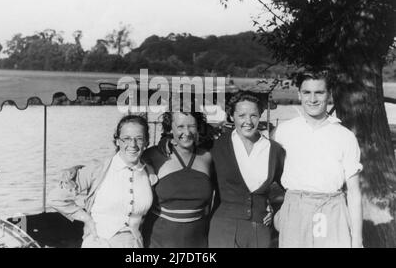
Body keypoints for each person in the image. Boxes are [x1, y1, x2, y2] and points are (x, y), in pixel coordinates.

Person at [273, 71, 363, 248]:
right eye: (307, 92)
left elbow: (354, 192)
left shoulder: (344, 136)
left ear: (329, 94)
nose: (312, 99)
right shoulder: (283, 131)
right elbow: (269, 173)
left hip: (332, 210)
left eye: (319, 92)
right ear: (299, 93)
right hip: (295, 212)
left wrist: (357, 240)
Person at [48, 114, 155, 248]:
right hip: (99, 242)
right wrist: (87, 219)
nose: (132, 144)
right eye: (126, 139)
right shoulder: (97, 170)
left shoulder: (149, 173)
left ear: (146, 142)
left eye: (139, 139)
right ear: (117, 141)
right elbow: (55, 198)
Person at [209, 92, 285, 248]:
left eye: (254, 115)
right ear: (232, 116)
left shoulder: (274, 150)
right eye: (242, 115)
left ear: (260, 115)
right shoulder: (217, 147)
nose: (248, 121)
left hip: (260, 229)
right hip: (223, 228)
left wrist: (278, 211)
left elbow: (292, 187)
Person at [141, 110, 213, 248]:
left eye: (191, 126)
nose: (187, 132)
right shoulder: (153, 155)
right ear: (170, 128)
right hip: (160, 238)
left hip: (198, 239)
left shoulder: (207, 157)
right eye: (180, 126)